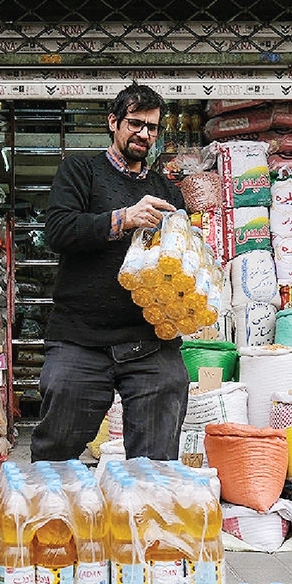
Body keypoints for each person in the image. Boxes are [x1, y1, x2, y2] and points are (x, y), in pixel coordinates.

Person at [30, 82, 189, 463]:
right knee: (58, 452)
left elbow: (178, 256)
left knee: (157, 455)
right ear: (113, 122)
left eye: (152, 127)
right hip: (80, 338)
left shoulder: (166, 188)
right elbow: (59, 231)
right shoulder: (80, 170)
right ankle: (52, 514)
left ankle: (140, 514)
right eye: (135, 124)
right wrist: (124, 219)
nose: (144, 134)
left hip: (149, 341)